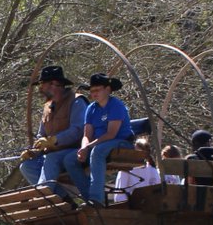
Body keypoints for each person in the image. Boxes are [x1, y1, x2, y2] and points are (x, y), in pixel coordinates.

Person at [64, 72, 132, 206]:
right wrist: (83, 147)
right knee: (70, 159)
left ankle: (96, 199)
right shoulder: (91, 108)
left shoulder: (116, 105)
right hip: (99, 144)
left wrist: (88, 147)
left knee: (97, 152)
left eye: (97, 90)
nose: (94, 93)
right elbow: (86, 134)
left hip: (121, 142)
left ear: (108, 89)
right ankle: (88, 197)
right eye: (92, 90)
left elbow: (111, 134)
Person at [18, 64, 87, 195]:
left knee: (51, 159)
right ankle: (62, 200)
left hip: (75, 151)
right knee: (27, 166)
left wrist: (54, 140)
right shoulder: (47, 107)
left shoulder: (77, 101)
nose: (40, 88)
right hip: (52, 154)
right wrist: (33, 151)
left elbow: (78, 130)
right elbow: (41, 136)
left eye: (42, 84)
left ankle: (43, 197)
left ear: (54, 84)